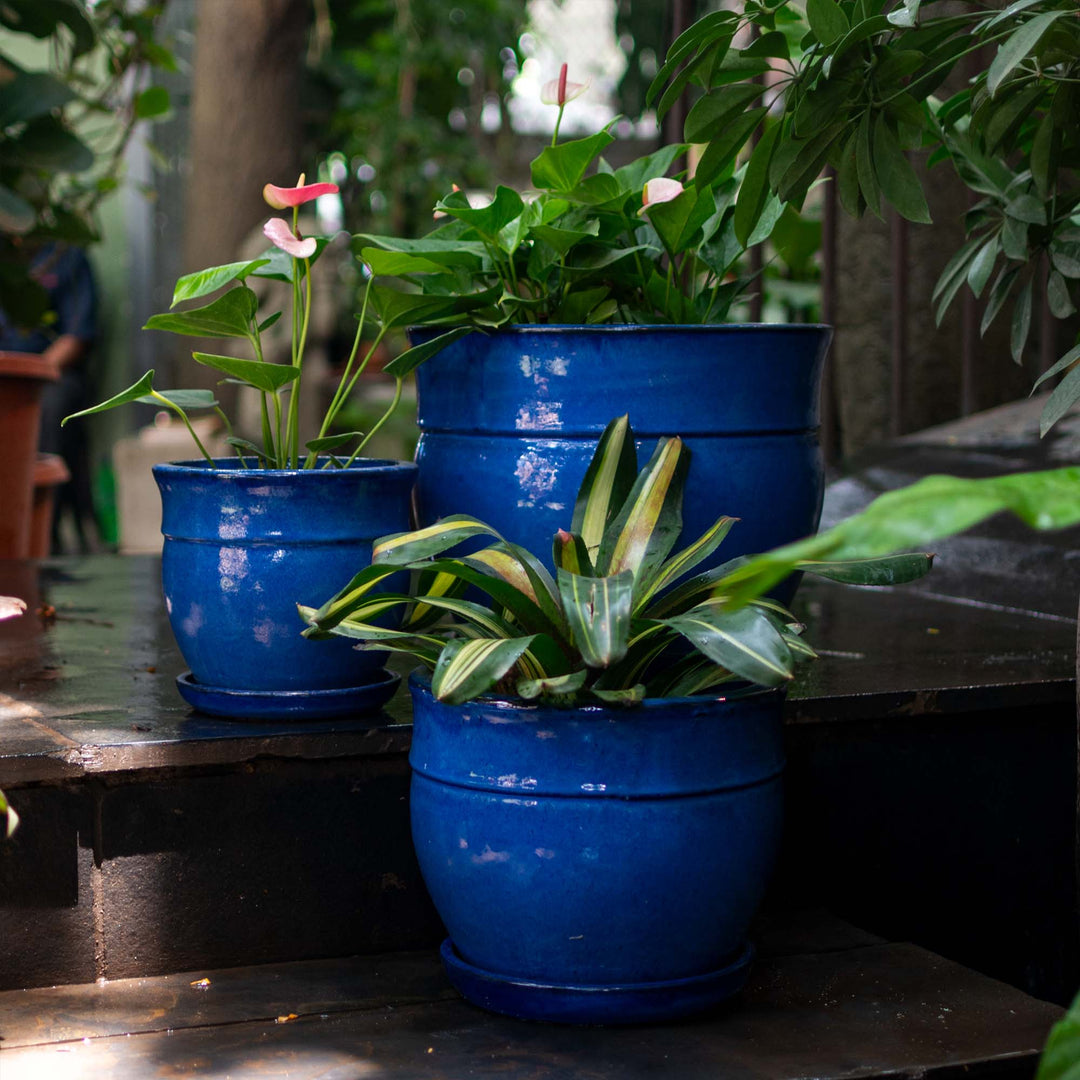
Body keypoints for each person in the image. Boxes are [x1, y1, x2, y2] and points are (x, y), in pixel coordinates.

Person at [0, 243, 99, 551]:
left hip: (50, 374)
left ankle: (41, 535)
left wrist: (34, 374)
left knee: (47, 408)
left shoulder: (67, 255)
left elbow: (77, 335)